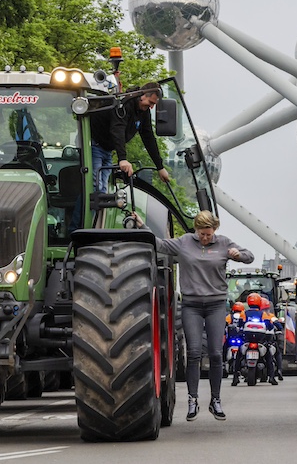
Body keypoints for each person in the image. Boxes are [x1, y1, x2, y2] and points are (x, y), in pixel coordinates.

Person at [134, 210, 254, 421]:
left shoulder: (224, 243)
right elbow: (159, 244)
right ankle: (192, 399)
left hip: (216, 305)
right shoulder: (185, 242)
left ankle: (215, 400)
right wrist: (142, 225)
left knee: (216, 353)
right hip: (192, 305)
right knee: (195, 352)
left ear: (214, 230)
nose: (204, 237)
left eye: (208, 234)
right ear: (196, 229)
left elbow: (249, 256)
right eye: (201, 233)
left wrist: (238, 255)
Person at [89, 81, 171, 192]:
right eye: (150, 102)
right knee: (95, 188)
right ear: (142, 95)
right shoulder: (124, 104)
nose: (151, 107)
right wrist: (122, 159)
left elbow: (148, 137)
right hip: (94, 144)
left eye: (154, 104)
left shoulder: (144, 111)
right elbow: (118, 129)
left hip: (107, 150)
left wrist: (160, 167)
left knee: (103, 190)